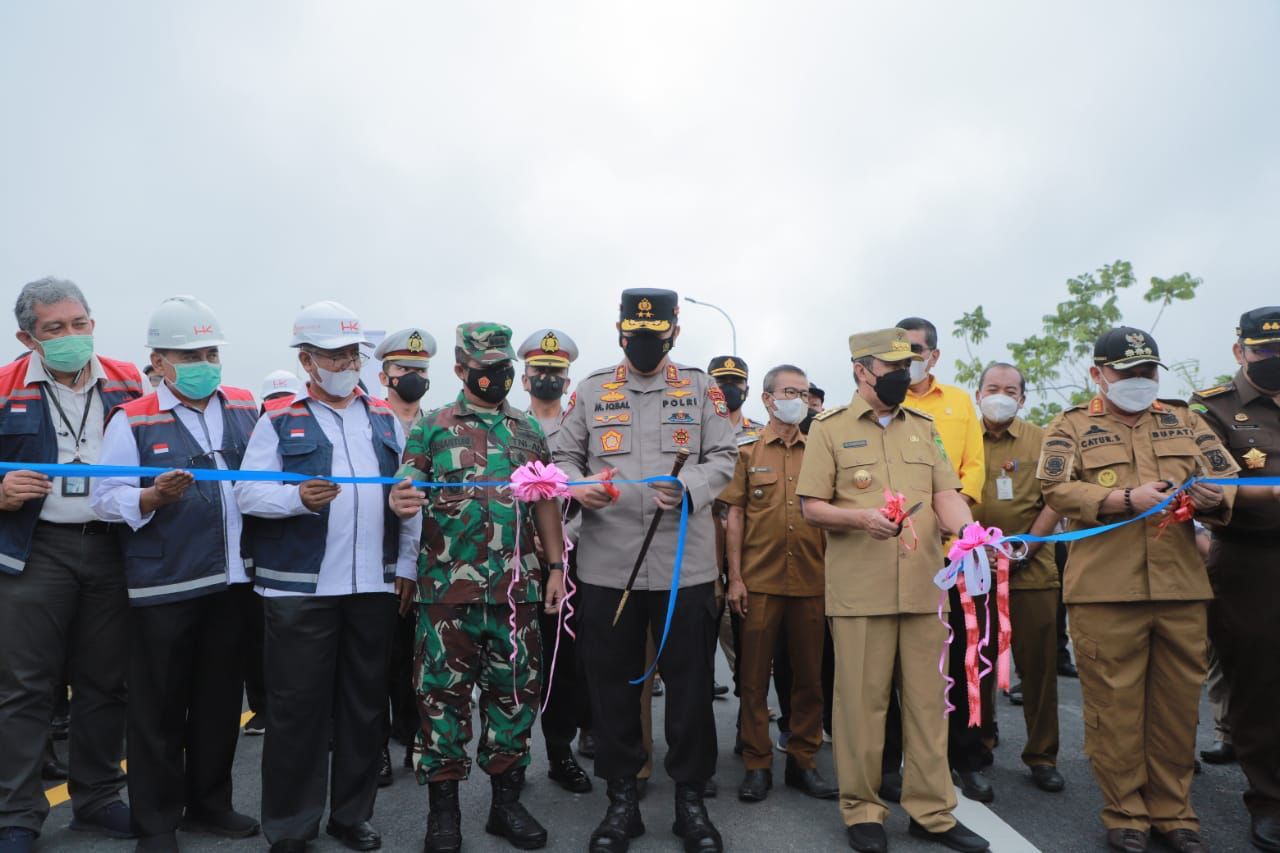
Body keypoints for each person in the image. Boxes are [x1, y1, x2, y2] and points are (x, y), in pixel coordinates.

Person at [1037, 326, 1237, 853]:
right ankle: (1125, 812)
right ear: (1098, 374)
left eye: (1148, 371)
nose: (1139, 381)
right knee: (1114, 708)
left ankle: (1176, 814)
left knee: (1175, 709)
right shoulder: (1070, 425)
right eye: (1127, 373)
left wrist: (1216, 498)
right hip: (1106, 592)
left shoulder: (1186, 420)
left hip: (1180, 589)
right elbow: (1055, 488)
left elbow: (1229, 479)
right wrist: (1125, 497)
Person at [553, 288, 737, 853]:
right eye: (634, 336)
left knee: (689, 690)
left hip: (686, 566)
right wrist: (583, 488)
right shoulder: (589, 391)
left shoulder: (703, 390)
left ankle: (690, 802)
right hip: (609, 566)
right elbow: (563, 459)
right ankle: (621, 802)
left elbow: (725, 458)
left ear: (674, 334)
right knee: (611, 688)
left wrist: (689, 489)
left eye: (656, 337)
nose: (644, 345)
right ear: (619, 332)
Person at [234, 301, 421, 853]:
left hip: (371, 587)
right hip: (299, 588)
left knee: (365, 708)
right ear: (307, 360)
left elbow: (407, 498)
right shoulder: (278, 421)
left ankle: (351, 816)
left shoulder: (385, 420)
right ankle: (291, 826)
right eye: (330, 355)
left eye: (349, 354)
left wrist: (406, 565)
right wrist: (295, 498)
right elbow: (247, 492)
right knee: (297, 711)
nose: (342, 363)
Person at [796, 326, 989, 853]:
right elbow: (811, 506)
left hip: (926, 590)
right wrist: (861, 521)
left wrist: (969, 531)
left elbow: (946, 492)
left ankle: (933, 811)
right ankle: (863, 810)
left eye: (909, 368)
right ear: (861, 371)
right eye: (892, 370)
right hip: (861, 593)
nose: (904, 378)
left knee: (930, 705)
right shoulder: (828, 429)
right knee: (862, 705)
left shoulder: (923, 428)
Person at [388, 323, 565, 853]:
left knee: (512, 701)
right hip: (446, 594)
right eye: (486, 367)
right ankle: (444, 816)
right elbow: (404, 485)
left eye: (504, 366)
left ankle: (505, 806)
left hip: (516, 593)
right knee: (441, 703)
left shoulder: (529, 430)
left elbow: (546, 501)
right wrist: (400, 500)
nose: (498, 375)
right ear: (462, 369)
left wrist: (556, 568)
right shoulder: (434, 427)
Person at [93, 296, 261, 850]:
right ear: (158, 361)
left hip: (232, 580)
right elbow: (104, 498)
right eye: (188, 354)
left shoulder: (243, 406)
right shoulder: (133, 418)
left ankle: (210, 805)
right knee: (158, 709)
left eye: (210, 351)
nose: (203, 363)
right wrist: (149, 498)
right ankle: (157, 821)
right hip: (164, 585)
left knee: (219, 703)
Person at [0, 277, 142, 853]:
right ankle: (16, 813)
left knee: (105, 682)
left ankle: (99, 797)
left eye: (78, 324)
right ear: (26, 336)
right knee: (24, 687)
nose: (70, 337)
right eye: (54, 329)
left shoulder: (129, 380)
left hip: (110, 545)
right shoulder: (5, 386)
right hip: (34, 550)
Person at [721, 364, 836, 804]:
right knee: (752, 680)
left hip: (812, 580)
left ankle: (803, 762)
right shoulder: (746, 451)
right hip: (760, 582)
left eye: (806, 393)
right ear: (768, 399)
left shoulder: (821, 450)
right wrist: (735, 578)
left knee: (808, 679)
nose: (801, 400)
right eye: (792, 392)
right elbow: (735, 515)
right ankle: (757, 763)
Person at [1189, 307, 1280, 852]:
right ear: (1240, 351)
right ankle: (1269, 800)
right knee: (1259, 687)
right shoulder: (1212, 407)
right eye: (1266, 351)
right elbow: (1210, 484)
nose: (1277, 361)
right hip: (1253, 561)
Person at [894, 316, 990, 803]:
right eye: (898, 350)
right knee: (895, 658)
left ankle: (967, 758)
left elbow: (973, 466)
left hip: (955, 546)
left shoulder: (958, 403)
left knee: (963, 653)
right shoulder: (884, 400)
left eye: (914, 350)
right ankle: (892, 762)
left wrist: (960, 523)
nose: (906, 359)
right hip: (899, 547)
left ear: (934, 355)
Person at [971, 362, 1065, 794]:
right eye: (992, 387)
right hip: (973, 570)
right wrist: (974, 548)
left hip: (1031, 570)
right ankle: (980, 741)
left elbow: (1056, 499)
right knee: (977, 663)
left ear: (1022, 399)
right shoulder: (961, 438)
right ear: (978, 394)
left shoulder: (1044, 439)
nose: (1001, 395)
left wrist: (1027, 547)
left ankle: (1042, 754)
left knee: (1039, 667)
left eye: (1010, 389)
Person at [518, 327, 594, 796]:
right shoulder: (510, 428)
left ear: (568, 381)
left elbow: (591, 493)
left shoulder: (578, 429)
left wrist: (561, 551)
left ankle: (561, 751)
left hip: (573, 560)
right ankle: (512, 758)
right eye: (539, 372)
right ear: (524, 379)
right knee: (516, 664)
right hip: (516, 566)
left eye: (556, 373)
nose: (547, 378)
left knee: (566, 663)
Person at [372, 327, 439, 783]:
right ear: (384, 376)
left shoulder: (436, 428)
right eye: (403, 370)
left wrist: (413, 566)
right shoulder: (369, 423)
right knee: (376, 662)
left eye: (419, 370)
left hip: (429, 563)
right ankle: (374, 749)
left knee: (423, 661)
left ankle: (418, 741)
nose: (412, 377)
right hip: (376, 564)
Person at [239, 370, 303, 741]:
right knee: (259, 638)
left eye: (285, 396)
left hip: (298, 555)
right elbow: (248, 493)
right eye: (273, 398)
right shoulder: (262, 432)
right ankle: (263, 708)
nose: (279, 403)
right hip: (260, 553)